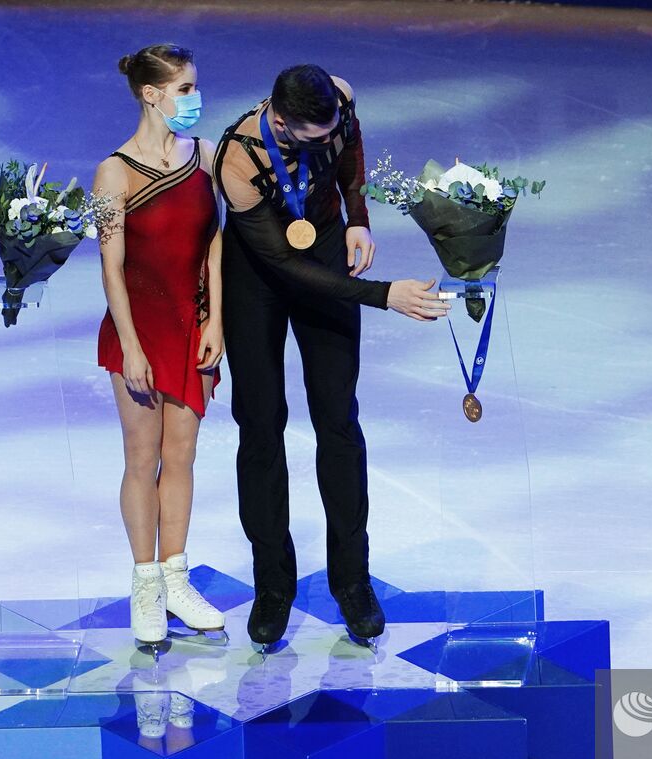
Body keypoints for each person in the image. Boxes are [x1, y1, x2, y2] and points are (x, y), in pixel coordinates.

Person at [213, 64, 449, 651]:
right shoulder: (238, 159)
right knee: (261, 426)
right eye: (310, 137)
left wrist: (358, 220)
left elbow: (350, 152)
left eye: (330, 129)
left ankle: (352, 580)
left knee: (338, 422)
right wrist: (384, 295)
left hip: (325, 242)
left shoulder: (339, 100)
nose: (326, 140)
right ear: (280, 119)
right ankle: (273, 586)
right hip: (261, 275)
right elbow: (288, 268)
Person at [94, 44, 227, 648]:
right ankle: (145, 583)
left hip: (191, 325)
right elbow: (111, 266)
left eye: (193, 87)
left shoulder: (203, 157)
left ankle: (177, 576)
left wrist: (215, 321)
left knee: (183, 456)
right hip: (138, 334)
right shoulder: (112, 172)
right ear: (151, 94)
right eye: (184, 88)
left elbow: (215, 247)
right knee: (140, 457)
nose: (193, 99)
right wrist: (131, 347)